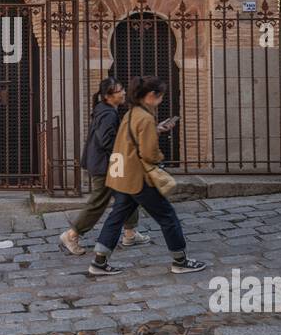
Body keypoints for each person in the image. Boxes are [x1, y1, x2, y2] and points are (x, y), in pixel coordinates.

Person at [88, 75, 207, 276]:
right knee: (167, 216)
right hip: (139, 179)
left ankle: (99, 261)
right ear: (151, 95)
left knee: (116, 217)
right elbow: (149, 153)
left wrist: (155, 131)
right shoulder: (145, 118)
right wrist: (159, 156)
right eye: (160, 96)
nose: (161, 100)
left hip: (124, 177)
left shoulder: (131, 114)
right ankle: (180, 260)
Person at [59, 77, 149, 255]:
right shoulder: (108, 114)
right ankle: (72, 235)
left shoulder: (105, 109)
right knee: (98, 203)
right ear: (108, 96)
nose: (124, 93)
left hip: (110, 163)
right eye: (119, 91)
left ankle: (130, 234)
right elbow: (107, 141)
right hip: (105, 166)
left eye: (123, 89)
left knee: (129, 195)